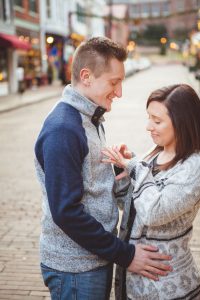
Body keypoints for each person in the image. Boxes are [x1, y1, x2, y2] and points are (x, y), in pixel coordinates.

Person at [34, 37, 171, 300]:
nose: (119, 92)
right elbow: (66, 212)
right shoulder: (64, 129)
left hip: (92, 259)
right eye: (114, 82)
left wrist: (118, 168)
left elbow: (88, 185)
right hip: (75, 269)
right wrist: (126, 255)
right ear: (86, 76)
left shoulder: (89, 117)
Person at [102, 83, 200, 299]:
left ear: (182, 123)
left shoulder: (194, 167)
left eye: (157, 121)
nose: (148, 126)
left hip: (167, 288)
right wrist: (123, 172)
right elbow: (131, 208)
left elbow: (152, 213)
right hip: (134, 284)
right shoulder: (154, 155)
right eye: (149, 117)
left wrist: (135, 167)